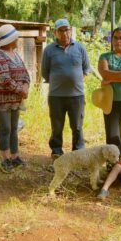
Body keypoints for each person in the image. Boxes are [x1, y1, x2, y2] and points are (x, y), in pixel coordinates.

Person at [41, 18, 91, 159]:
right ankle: (57, 151)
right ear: (55, 33)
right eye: (61, 31)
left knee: (77, 126)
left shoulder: (80, 47)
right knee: (57, 126)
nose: (64, 33)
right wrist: (60, 81)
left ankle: (78, 152)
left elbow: (86, 69)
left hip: (77, 95)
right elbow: (45, 72)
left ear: (70, 30)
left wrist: (75, 81)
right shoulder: (49, 50)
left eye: (66, 29)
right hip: (56, 96)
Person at [0, 24, 31, 173]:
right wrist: (21, 90)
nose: (18, 39)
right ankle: (5, 159)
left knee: (13, 129)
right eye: (15, 37)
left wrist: (26, 85)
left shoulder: (15, 53)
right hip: (1, 100)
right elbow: (4, 79)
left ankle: (15, 157)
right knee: (5, 129)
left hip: (15, 100)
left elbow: (25, 72)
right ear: (10, 40)